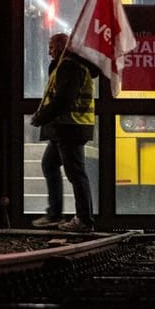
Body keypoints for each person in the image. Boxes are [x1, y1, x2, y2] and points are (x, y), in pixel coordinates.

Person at [30, 32, 97, 231]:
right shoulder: (68, 66)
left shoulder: (69, 67)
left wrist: (41, 117)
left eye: (51, 47)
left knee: (76, 174)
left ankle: (84, 220)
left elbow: (63, 100)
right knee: (50, 165)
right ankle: (55, 214)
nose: (49, 52)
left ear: (61, 47)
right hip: (66, 128)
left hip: (70, 128)